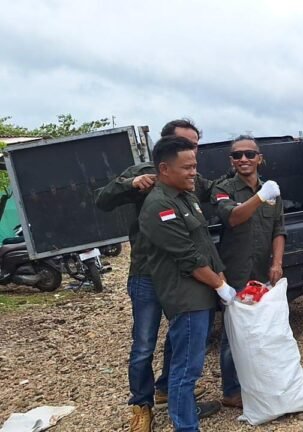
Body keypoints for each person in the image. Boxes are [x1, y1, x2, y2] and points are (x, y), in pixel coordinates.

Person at [95, 119, 216, 431]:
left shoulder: (188, 175)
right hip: (147, 272)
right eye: (186, 143)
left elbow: (211, 192)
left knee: (181, 339)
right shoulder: (141, 173)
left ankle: (170, 392)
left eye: (195, 146)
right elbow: (102, 199)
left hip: (179, 274)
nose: (192, 152)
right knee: (144, 343)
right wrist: (130, 185)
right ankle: (141, 405)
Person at [138, 135, 236, 431]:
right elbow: (189, 257)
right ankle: (186, 427)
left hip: (202, 293)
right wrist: (220, 286)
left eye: (195, 166)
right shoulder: (158, 207)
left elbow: (206, 245)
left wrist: (221, 279)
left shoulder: (186, 197)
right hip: (187, 298)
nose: (194, 172)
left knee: (189, 366)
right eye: (187, 168)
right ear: (164, 169)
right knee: (186, 370)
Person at [212, 135, 284, 408]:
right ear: (231, 160)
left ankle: (257, 383)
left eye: (249, 154)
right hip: (235, 274)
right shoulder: (223, 188)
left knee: (261, 332)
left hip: (262, 273)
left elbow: (279, 229)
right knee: (233, 335)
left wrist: (276, 263)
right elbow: (232, 216)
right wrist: (260, 196)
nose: (243, 159)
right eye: (237, 155)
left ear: (259, 158)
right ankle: (231, 391)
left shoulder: (272, 189)